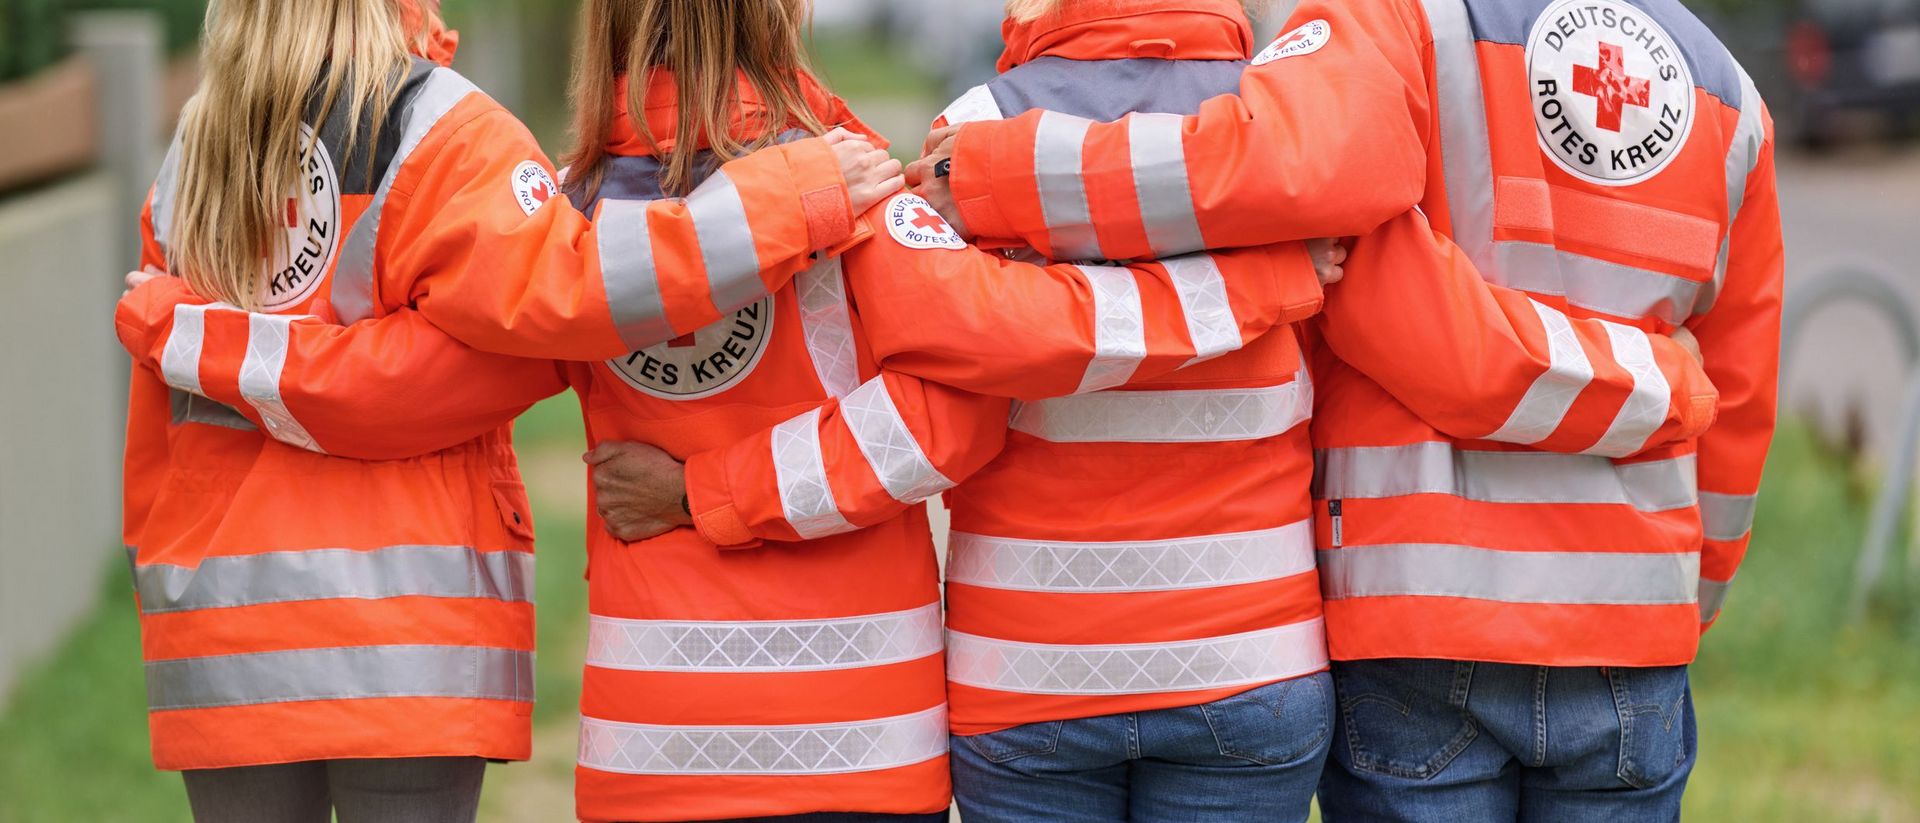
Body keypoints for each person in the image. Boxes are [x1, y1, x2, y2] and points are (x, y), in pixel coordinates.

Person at [117, 0, 1332, 819]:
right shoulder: (852, 175)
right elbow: (949, 425)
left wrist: (205, 341)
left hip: (652, 720)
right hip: (865, 717)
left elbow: (451, 369)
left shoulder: (570, 202)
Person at [587, 0, 1723, 821]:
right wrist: (1263, 288)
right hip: (1251, 657)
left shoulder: (964, 130)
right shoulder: (1289, 126)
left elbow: (961, 363)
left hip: (1027, 675)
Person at [910, 0, 1782, 819]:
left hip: (1424, 611)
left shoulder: (1396, 16)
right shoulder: (1729, 88)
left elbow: (1338, 245)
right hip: (1634, 629)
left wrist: (990, 170)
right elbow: (1743, 389)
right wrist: (1691, 574)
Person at [111, 0, 902, 819]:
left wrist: (190, 347)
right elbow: (568, 303)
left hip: (217, 628)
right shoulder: (440, 127)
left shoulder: (192, 153)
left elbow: (156, 445)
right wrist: (788, 198)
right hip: (412, 629)